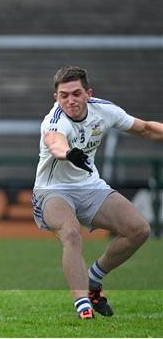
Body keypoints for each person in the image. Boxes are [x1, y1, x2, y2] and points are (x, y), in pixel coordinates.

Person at [32, 65, 162, 319]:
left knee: (139, 230)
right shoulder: (54, 120)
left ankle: (94, 279)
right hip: (52, 190)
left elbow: (145, 128)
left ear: (88, 93)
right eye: (64, 95)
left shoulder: (104, 111)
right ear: (56, 98)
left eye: (76, 93)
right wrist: (68, 153)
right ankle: (83, 305)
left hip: (90, 186)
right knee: (70, 233)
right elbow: (55, 142)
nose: (70, 100)